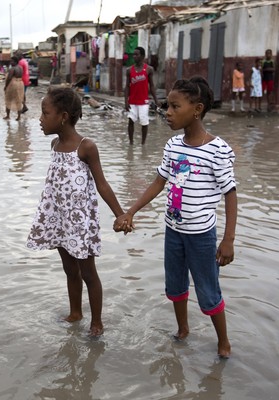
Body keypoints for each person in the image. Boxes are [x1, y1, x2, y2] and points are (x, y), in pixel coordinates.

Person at [114, 76, 237, 359]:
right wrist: (130, 211)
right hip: (174, 231)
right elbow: (160, 182)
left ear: (197, 109)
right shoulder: (173, 146)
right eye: (167, 106)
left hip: (202, 236)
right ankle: (183, 329)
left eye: (174, 106)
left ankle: (224, 342)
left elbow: (231, 194)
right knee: (175, 285)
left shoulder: (217, 150)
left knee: (208, 291)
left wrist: (228, 240)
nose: (167, 112)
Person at [26, 87, 126, 337]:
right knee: (70, 270)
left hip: (80, 223)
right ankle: (75, 313)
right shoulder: (55, 144)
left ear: (63, 116)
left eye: (45, 113)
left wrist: (120, 214)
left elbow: (102, 183)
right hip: (59, 219)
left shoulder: (86, 147)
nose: (40, 119)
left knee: (88, 273)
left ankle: (97, 323)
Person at [124, 47, 159, 145]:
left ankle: (143, 143)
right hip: (132, 101)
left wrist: (156, 100)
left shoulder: (149, 69)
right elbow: (127, 87)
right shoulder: (129, 70)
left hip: (143, 102)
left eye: (136, 54)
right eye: (133, 55)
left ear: (142, 56)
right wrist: (126, 102)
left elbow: (151, 86)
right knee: (130, 121)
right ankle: (131, 143)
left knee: (144, 122)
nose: (134, 56)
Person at [3, 56, 24, 121]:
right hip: (20, 83)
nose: (11, 62)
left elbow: (9, 78)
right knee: (19, 99)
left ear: (15, 61)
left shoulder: (13, 69)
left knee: (8, 99)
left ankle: (8, 115)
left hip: (13, 84)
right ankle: (19, 116)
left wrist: (6, 86)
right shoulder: (20, 68)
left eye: (12, 61)